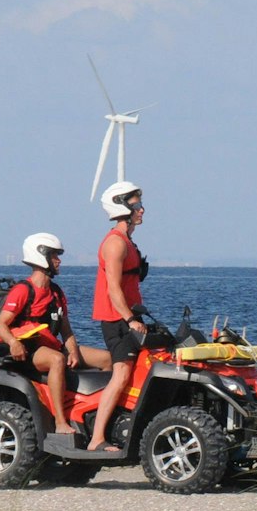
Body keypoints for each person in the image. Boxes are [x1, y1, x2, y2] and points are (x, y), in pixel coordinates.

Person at [0, 232, 107, 436]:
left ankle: (101, 418)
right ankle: (60, 422)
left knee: (108, 359)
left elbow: (66, 329)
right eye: (55, 255)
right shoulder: (23, 290)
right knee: (56, 360)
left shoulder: (56, 292)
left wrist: (72, 351)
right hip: (30, 351)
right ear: (41, 256)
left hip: (52, 345)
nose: (59, 260)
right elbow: (0, 325)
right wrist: (13, 343)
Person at [87, 181, 149, 453]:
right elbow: (113, 289)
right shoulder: (115, 243)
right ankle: (96, 439)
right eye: (136, 205)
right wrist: (130, 320)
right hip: (116, 320)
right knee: (121, 374)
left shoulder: (128, 241)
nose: (142, 210)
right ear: (122, 207)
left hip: (129, 318)